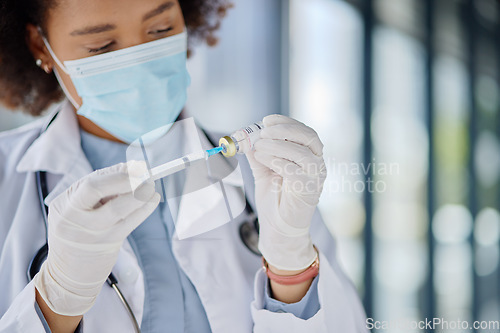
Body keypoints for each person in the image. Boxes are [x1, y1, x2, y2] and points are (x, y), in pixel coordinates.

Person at [0, 0, 368, 332]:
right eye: (101, 46)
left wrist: (291, 269)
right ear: (40, 46)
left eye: (160, 30)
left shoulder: (265, 177)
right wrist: (55, 300)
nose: (140, 60)